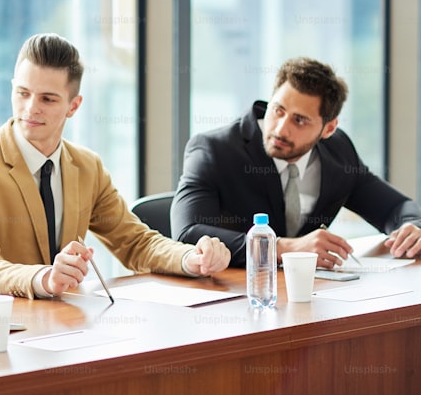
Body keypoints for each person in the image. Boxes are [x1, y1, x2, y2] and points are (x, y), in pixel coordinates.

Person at [0, 34, 230, 298]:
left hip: (68, 325)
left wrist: (191, 258)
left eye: (47, 99)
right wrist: (44, 278)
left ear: (73, 106)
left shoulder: (87, 166)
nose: (31, 108)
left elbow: (134, 242)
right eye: (23, 93)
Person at [172, 57, 421, 268]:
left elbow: (394, 207)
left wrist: (412, 228)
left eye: (299, 120)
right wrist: (284, 248)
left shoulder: (338, 151)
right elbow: (188, 232)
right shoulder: (214, 150)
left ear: (328, 128)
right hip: (233, 293)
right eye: (278, 110)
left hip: (312, 296)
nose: (281, 129)